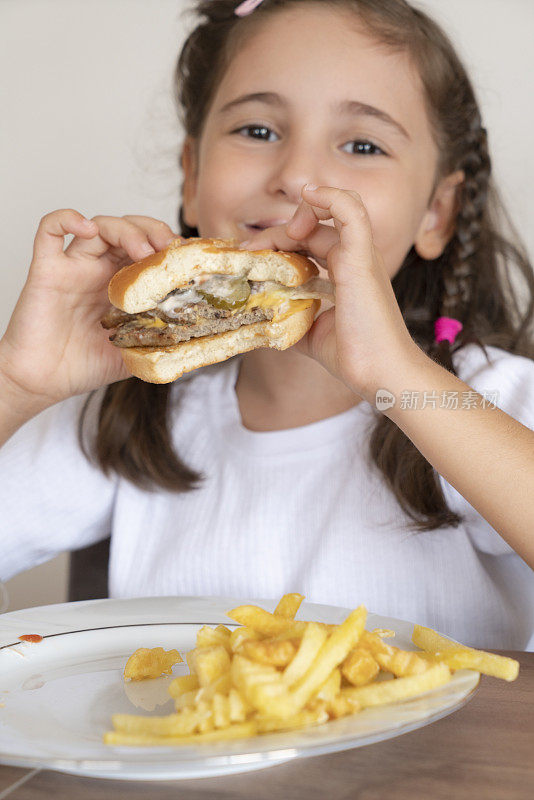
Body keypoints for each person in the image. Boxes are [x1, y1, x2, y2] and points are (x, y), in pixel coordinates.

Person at [1, 0, 533, 650]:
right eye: (257, 131)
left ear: (437, 212)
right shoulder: (134, 414)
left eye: (363, 145)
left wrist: (393, 375)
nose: (296, 179)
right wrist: (17, 386)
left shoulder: (491, 400)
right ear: (192, 176)